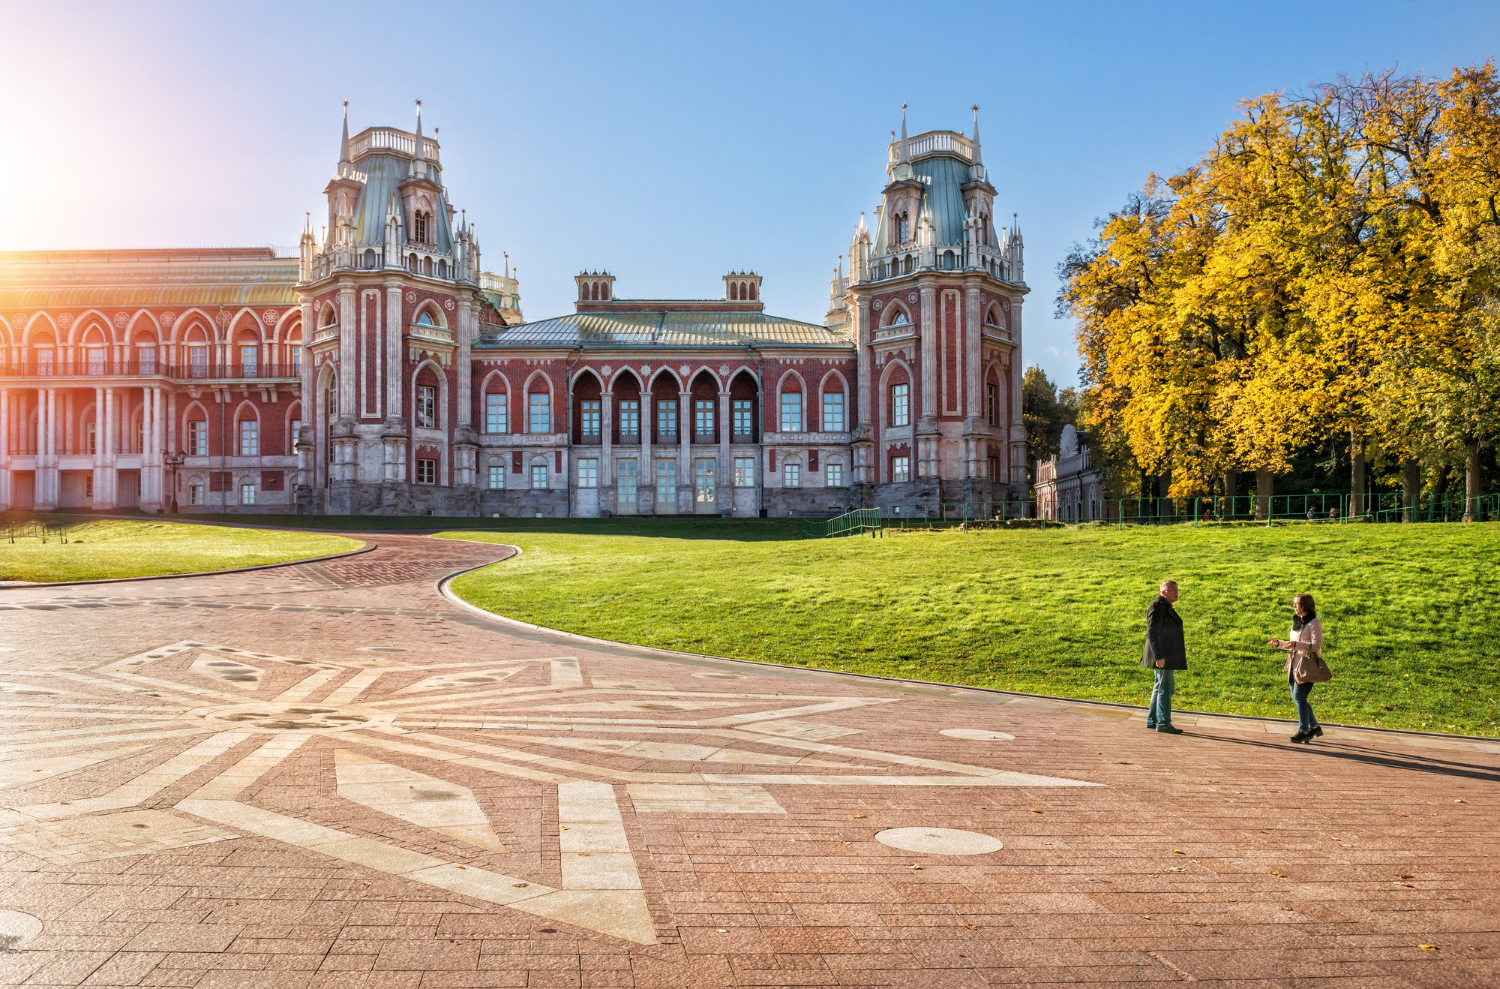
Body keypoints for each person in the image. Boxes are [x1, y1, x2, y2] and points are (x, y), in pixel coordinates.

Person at [1269, 593, 1324, 743]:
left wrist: (1296, 645)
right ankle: (1314, 727)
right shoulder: (1297, 622)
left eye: (1297, 604)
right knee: (1298, 698)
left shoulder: (1314, 623)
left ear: (1305, 605)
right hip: (1294, 665)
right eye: (1294, 603)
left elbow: (1316, 646)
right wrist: (1278, 643)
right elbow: (1292, 644)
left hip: (1307, 666)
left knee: (1299, 697)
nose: (1294, 606)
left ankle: (1304, 730)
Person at [1140, 579, 1187, 734]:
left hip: (1164, 654)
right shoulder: (1157, 607)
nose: (1176, 592)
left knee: (1160, 687)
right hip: (1162, 655)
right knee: (1165, 689)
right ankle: (1163, 723)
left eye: (1177, 590)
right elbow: (1152, 632)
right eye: (1172, 590)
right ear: (1163, 592)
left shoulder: (1165, 606)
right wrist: (1159, 656)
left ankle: (1153, 720)